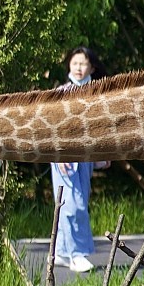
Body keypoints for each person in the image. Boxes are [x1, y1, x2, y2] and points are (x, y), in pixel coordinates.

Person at [51, 46, 103, 273]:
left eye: (83, 63)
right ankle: (77, 253)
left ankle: (61, 251)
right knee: (72, 204)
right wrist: (58, 151)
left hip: (86, 156)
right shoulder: (62, 92)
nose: (79, 68)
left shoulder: (97, 92)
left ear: (91, 66)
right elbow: (53, 125)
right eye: (75, 63)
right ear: (69, 66)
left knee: (75, 201)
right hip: (64, 155)